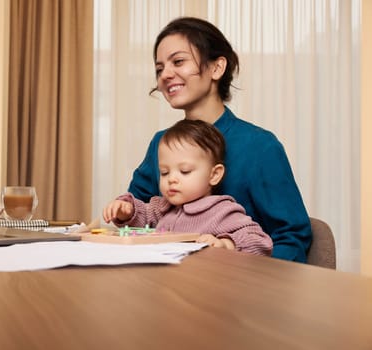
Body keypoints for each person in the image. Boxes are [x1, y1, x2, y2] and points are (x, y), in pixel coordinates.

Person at [126, 16, 312, 262]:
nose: (165, 75)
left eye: (178, 61)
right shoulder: (160, 144)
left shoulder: (260, 147)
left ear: (217, 68)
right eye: (159, 69)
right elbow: (134, 220)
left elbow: (292, 238)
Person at [103, 119, 273, 256]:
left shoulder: (221, 211)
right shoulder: (161, 207)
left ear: (214, 175)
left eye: (184, 171)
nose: (172, 179)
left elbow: (259, 241)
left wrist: (226, 244)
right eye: (164, 172)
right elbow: (141, 215)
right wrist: (126, 210)